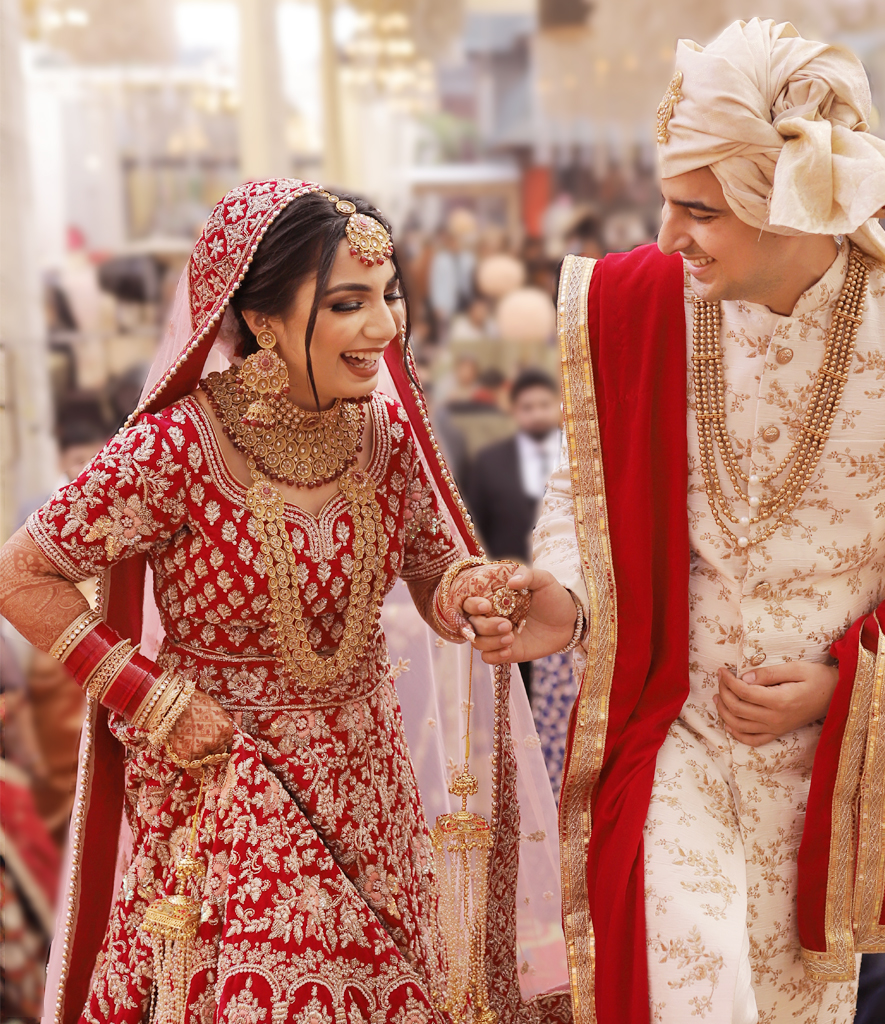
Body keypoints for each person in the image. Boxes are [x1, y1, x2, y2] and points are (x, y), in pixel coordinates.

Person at [455, 19, 885, 1024]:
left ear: (791, 203)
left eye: (696, 209)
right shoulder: (645, 306)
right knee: (687, 992)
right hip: (677, 731)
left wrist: (845, 681)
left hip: (828, 774)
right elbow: (585, 500)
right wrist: (566, 598)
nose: (667, 237)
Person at [0, 180, 569, 1024]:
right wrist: (149, 698)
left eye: (388, 297)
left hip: (371, 795)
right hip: (226, 786)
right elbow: (22, 576)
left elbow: (431, 566)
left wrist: (473, 593)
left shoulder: (383, 433)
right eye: (349, 303)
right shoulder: (177, 447)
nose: (386, 328)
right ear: (263, 320)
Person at [465, 368, 562, 703]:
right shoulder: (491, 459)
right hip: (507, 590)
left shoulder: (578, 457)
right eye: (527, 406)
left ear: (559, 406)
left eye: (543, 404)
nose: (536, 413)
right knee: (512, 680)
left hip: (563, 588)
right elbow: (476, 523)